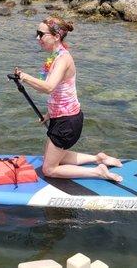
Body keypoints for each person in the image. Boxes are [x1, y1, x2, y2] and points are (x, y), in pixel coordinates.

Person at [14, 16, 123, 182]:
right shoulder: (56, 56)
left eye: (41, 34)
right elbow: (59, 92)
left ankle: (98, 172)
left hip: (67, 123)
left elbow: (49, 87)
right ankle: (98, 158)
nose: (37, 38)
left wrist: (25, 77)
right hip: (64, 118)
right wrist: (49, 114)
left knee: (48, 169)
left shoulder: (63, 59)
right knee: (57, 157)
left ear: (56, 36)